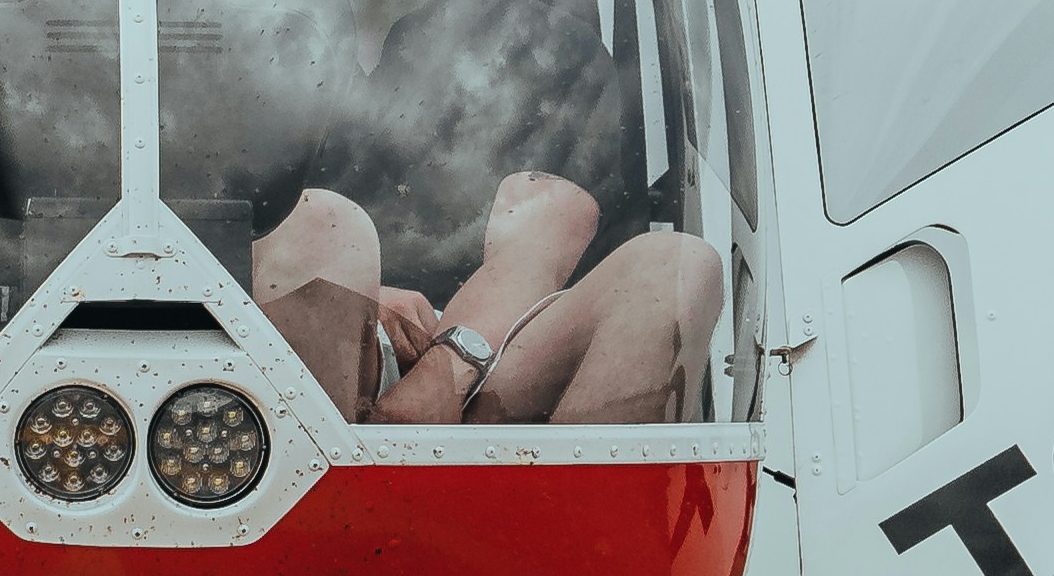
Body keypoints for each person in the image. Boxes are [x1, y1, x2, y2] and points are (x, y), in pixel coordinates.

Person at [248, 168, 711, 428]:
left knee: (677, 267)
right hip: (307, 375)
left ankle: (576, 552)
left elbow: (558, 205)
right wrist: (370, 301)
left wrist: (449, 363)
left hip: (493, 353)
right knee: (324, 226)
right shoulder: (278, 57)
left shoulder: (533, 48)